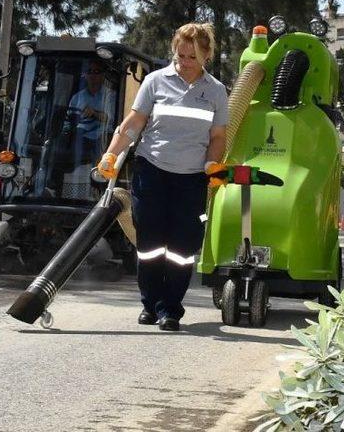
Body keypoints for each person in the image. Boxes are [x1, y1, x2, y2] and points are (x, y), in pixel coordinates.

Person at [96, 23, 228, 331]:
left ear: (206, 55)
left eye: (191, 56)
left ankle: (171, 308)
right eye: (180, 55)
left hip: (191, 178)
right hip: (151, 170)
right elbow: (134, 122)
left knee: (182, 248)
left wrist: (212, 163)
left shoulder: (216, 91)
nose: (183, 62)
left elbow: (218, 135)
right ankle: (151, 304)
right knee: (150, 242)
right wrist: (111, 154)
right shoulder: (156, 81)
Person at [63, 62, 115, 165]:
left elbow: (111, 120)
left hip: (102, 138)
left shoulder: (111, 96)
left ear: (103, 75)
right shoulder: (77, 97)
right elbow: (68, 120)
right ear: (85, 75)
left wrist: (94, 113)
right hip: (80, 136)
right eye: (89, 72)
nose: (92, 75)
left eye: (96, 72)